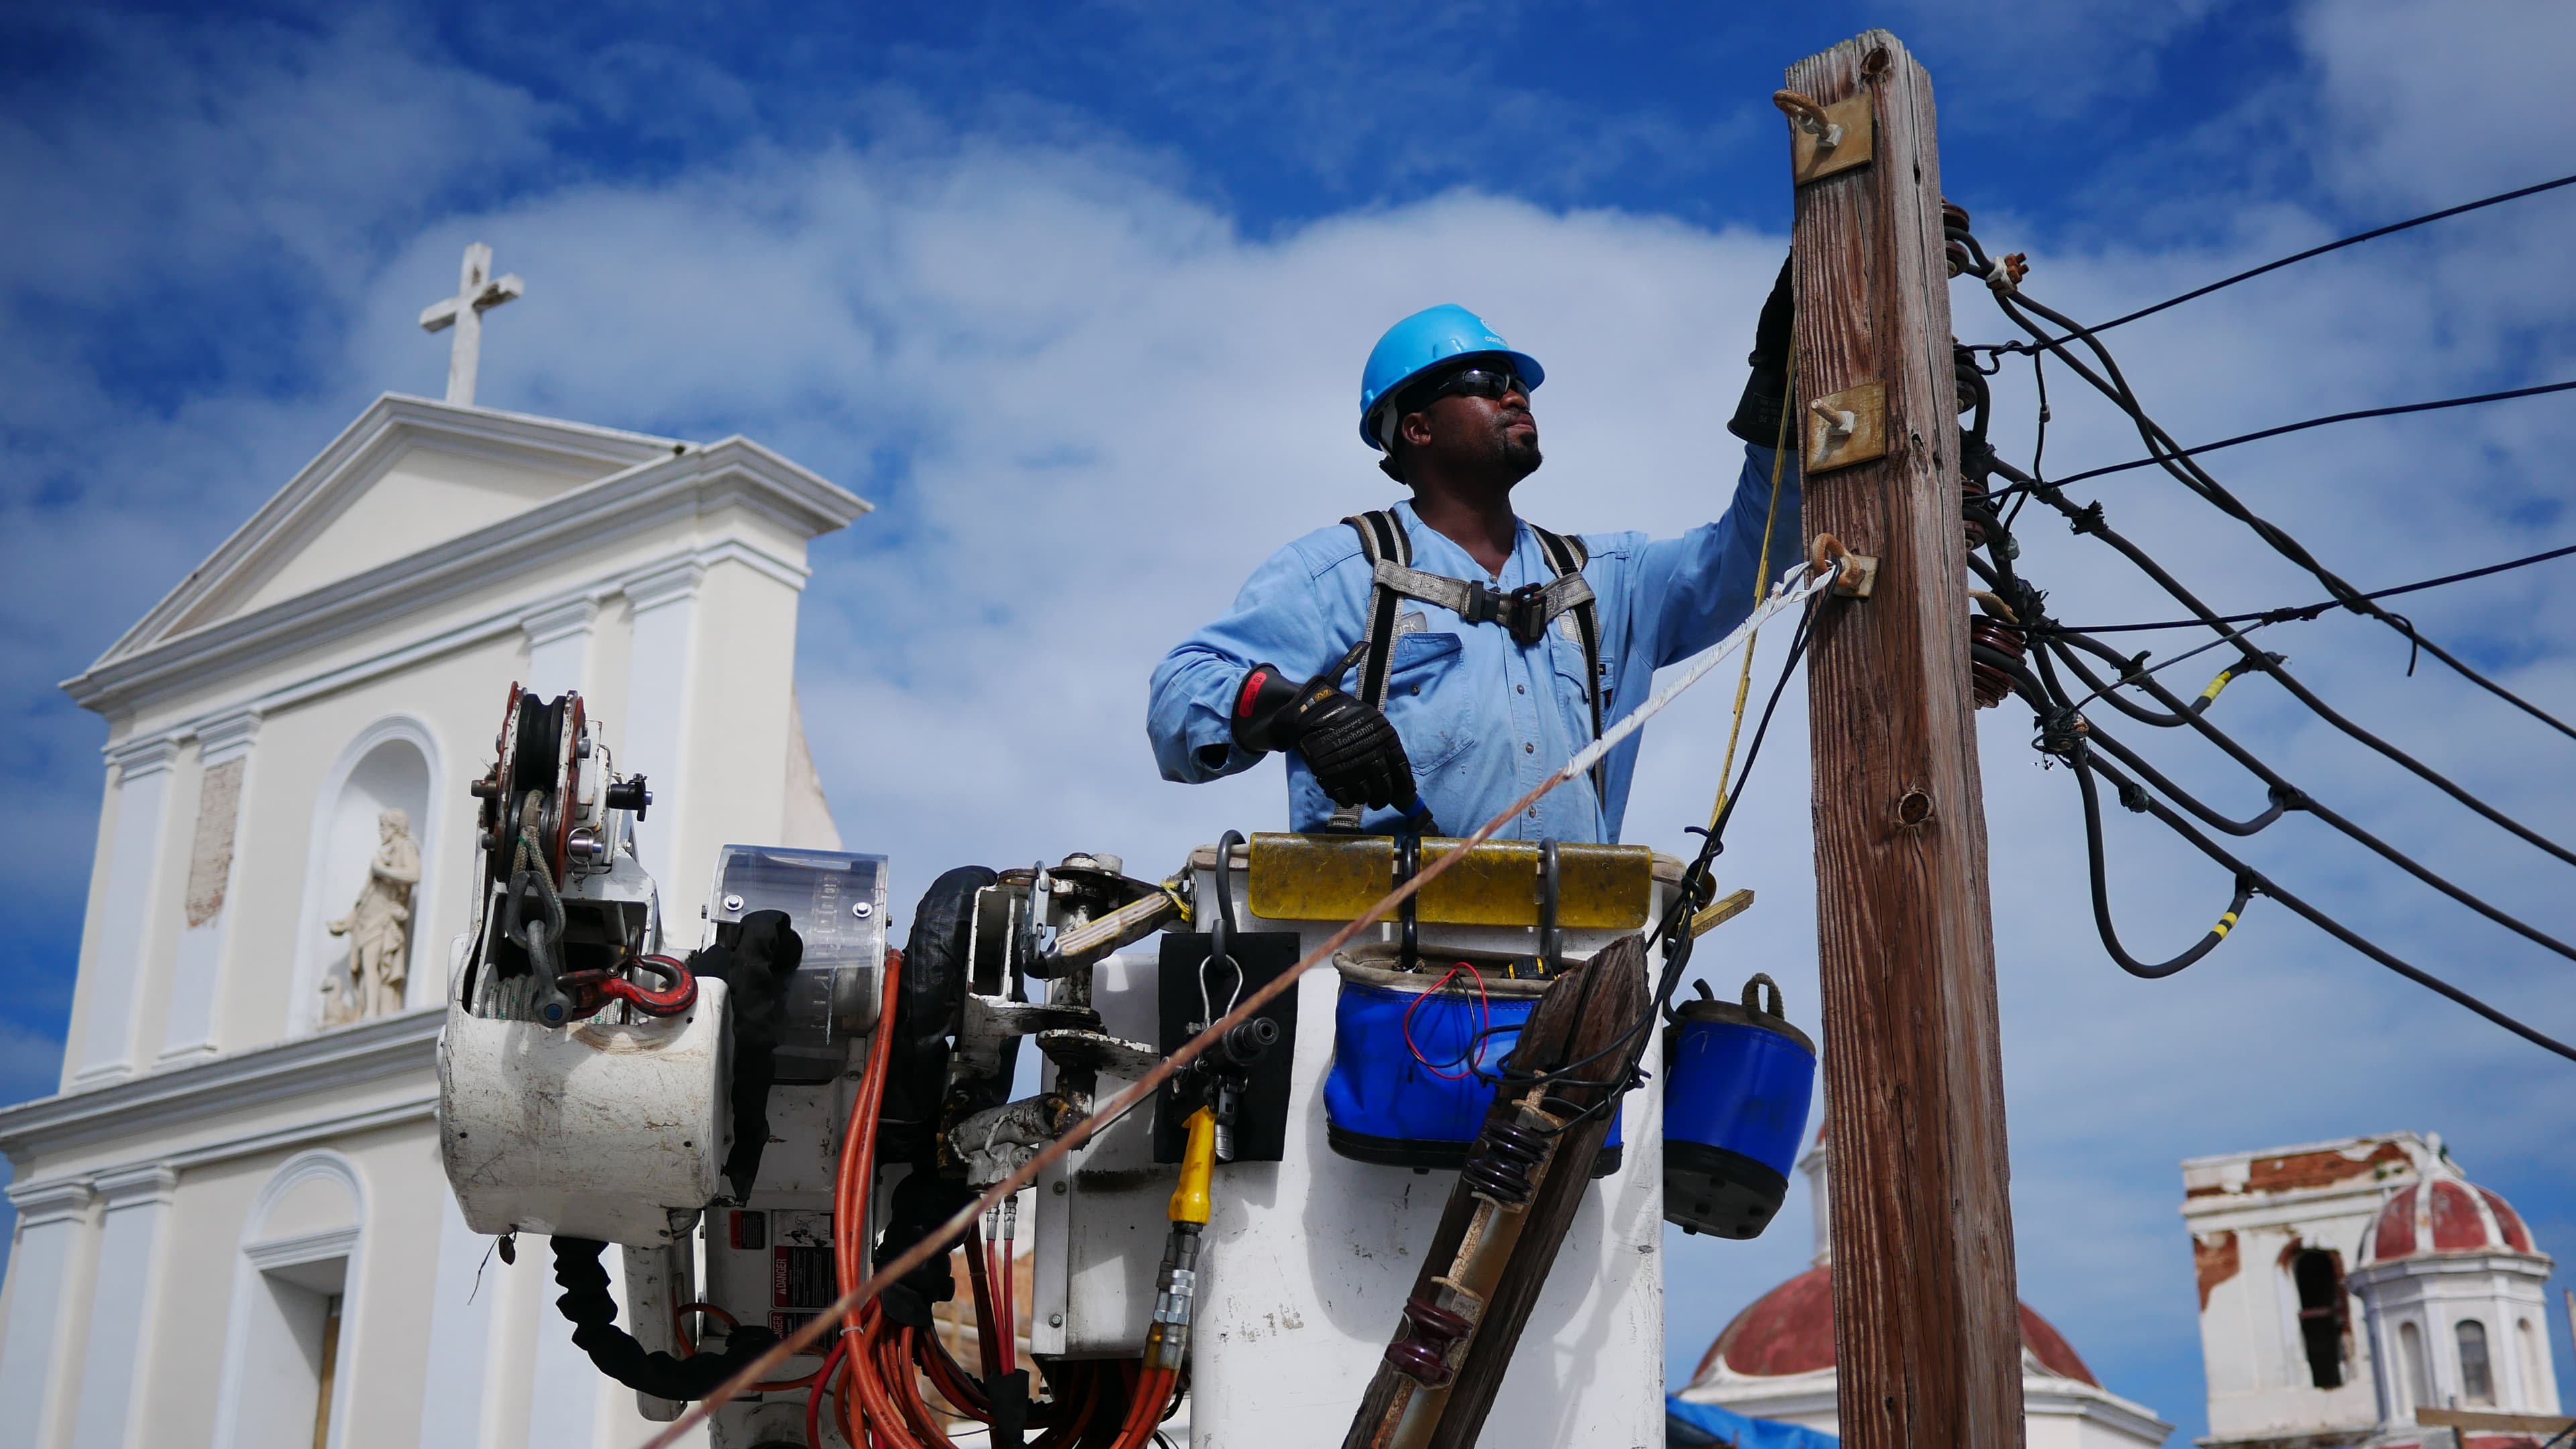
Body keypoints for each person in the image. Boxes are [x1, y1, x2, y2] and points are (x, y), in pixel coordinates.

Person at [1147, 269, 1798, 845]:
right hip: (1385, 960)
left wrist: (1779, 393)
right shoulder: (1344, 574)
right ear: (1417, 427)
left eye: (1519, 384)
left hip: (1573, 962)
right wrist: (1302, 711)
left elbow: (1754, 554)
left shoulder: (1605, 583)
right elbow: (1179, 697)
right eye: (1488, 382)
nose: (1516, 396)